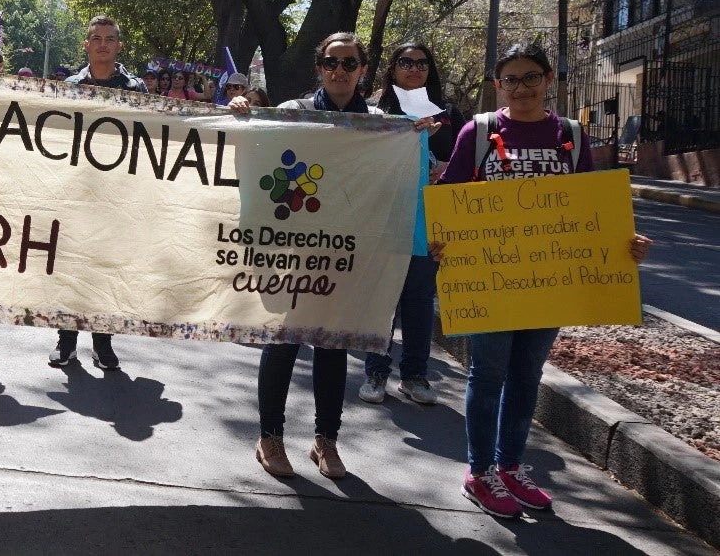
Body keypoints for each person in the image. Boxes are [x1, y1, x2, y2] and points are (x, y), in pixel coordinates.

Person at [434, 42, 652, 518]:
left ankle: (511, 466)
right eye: (510, 79)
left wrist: (626, 243)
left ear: (548, 80)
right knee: (488, 374)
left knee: (526, 376)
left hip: (549, 280)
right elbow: (448, 197)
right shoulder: (480, 130)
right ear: (498, 85)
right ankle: (480, 472)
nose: (521, 87)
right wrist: (441, 240)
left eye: (531, 77)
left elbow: (591, 211)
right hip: (490, 281)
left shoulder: (570, 134)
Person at [229, 31, 430, 481]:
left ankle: (326, 441)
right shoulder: (291, 114)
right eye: (331, 63)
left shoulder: (382, 124)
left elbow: (401, 184)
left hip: (346, 254)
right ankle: (270, 436)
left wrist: (411, 139)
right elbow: (251, 148)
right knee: (284, 341)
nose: (340, 71)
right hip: (293, 253)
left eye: (349, 63)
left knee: (333, 342)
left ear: (363, 70)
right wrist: (244, 113)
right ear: (319, 68)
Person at [357, 42, 466, 407]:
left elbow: (466, 165)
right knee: (382, 297)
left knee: (419, 301)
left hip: (430, 222)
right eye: (406, 62)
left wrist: (440, 168)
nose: (414, 69)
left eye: (422, 63)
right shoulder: (376, 111)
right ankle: (375, 372)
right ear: (392, 69)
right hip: (384, 218)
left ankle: (415, 376)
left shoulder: (450, 115)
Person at [51, 15, 147, 371]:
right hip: (76, 192)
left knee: (106, 269)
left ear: (119, 45)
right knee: (70, 268)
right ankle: (66, 341)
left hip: (117, 194)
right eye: (96, 38)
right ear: (86, 45)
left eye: (110, 38)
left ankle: (103, 342)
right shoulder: (70, 86)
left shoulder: (136, 89)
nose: (103, 43)